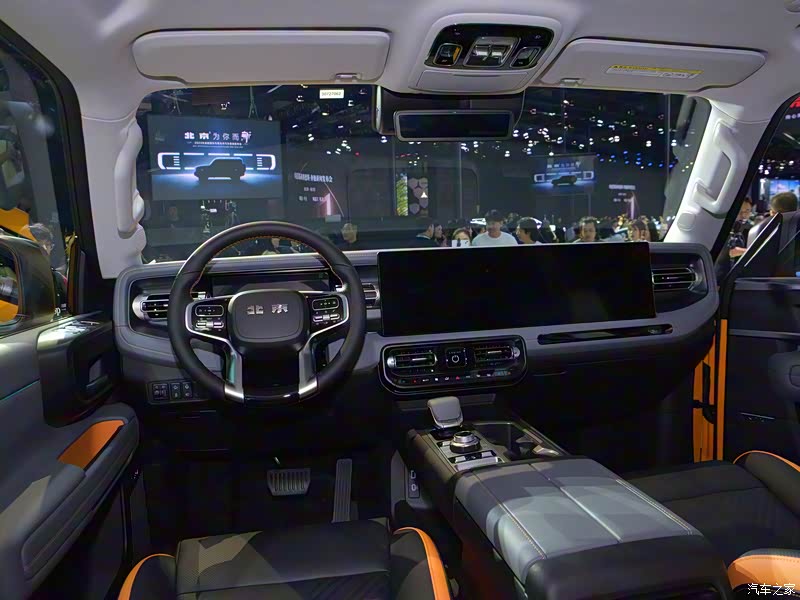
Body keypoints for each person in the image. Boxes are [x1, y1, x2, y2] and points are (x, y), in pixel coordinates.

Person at [730, 192, 798, 258]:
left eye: (747, 210)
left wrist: (743, 251)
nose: (743, 215)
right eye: (739, 211)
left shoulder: (759, 229)